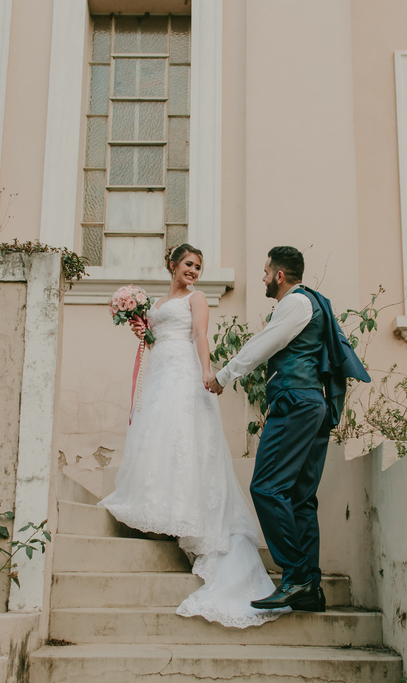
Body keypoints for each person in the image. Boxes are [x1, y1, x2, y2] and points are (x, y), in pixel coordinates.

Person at [99, 245, 289, 628]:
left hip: (184, 371)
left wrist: (207, 372)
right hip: (159, 370)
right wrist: (141, 327)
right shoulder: (156, 301)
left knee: (183, 438)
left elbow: (200, 335)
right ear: (172, 264)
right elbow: (155, 340)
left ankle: (189, 517)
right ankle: (160, 508)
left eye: (198, 267)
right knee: (160, 436)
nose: (194, 271)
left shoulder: (197, 298)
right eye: (188, 264)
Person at [209, 246, 370, 612]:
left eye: (266, 272)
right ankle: (310, 588)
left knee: (266, 486)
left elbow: (266, 343)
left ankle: (296, 576)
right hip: (311, 403)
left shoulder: (295, 303)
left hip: (296, 403)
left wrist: (224, 374)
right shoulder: (310, 302)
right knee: (298, 497)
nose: (264, 278)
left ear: (280, 275)